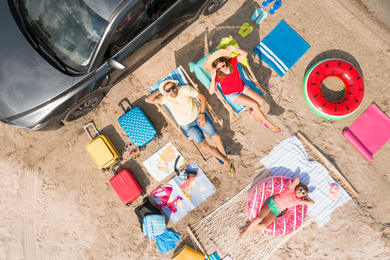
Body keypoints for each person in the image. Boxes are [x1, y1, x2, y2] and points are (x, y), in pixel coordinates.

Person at [145, 79, 235, 174]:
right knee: (204, 146)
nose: (172, 91)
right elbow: (148, 100)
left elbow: (202, 98)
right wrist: (161, 90)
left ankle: (226, 161)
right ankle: (226, 161)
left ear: (176, 86)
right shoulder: (165, 98)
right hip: (186, 125)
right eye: (168, 90)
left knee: (216, 137)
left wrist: (202, 114)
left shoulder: (185, 89)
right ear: (165, 92)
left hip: (198, 117)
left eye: (173, 87)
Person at [205, 45, 281, 133]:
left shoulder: (232, 62)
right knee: (255, 104)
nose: (222, 68)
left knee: (261, 101)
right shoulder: (218, 75)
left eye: (223, 65)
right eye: (219, 68)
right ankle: (269, 124)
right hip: (231, 95)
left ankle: (253, 113)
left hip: (241, 87)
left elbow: (245, 54)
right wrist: (213, 77)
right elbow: (211, 91)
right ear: (216, 69)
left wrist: (235, 49)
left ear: (225, 61)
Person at [238, 176, 314, 238]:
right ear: (297, 187)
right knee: (259, 218)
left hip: (276, 211)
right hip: (271, 203)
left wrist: (305, 195)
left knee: (264, 225)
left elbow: (312, 202)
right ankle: (246, 231)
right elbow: (297, 178)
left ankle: (248, 228)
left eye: (303, 192)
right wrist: (299, 186)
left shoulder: (298, 201)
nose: (301, 192)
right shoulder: (291, 190)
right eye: (300, 189)